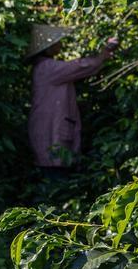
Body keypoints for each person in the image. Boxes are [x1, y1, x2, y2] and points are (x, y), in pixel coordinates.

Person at [25, 24, 119, 197]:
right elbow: (79, 67)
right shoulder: (48, 68)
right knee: (56, 188)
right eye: (57, 42)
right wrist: (103, 54)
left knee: (54, 184)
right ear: (48, 47)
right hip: (50, 136)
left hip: (49, 134)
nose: (60, 45)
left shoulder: (45, 67)